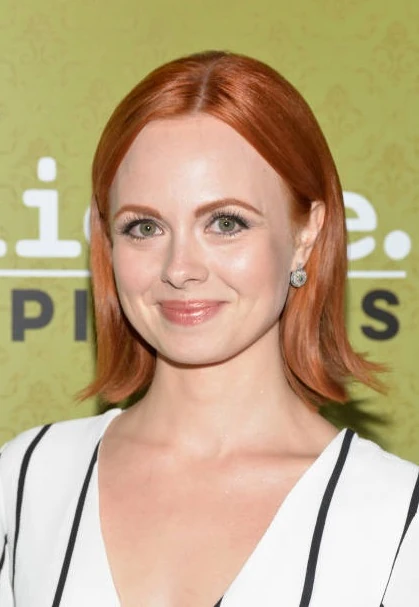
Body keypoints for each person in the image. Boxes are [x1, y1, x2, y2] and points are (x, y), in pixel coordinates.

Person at [0, 51, 417, 607]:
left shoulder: (397, 519)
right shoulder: (26, 481)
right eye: (144, 227)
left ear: (306, 235)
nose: (179, 269)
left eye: (225, 222)